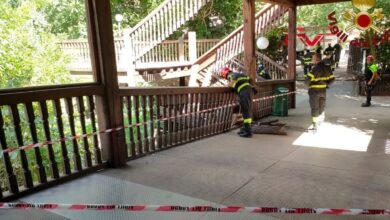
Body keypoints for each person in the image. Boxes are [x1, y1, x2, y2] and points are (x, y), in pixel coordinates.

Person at [220, 67, 253, 137]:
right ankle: (245, 129)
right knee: (246, 111)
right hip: (248, 91)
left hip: (244, 93)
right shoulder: (240, 74)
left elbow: (231, 84)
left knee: (245, 111)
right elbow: (249, 79)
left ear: (224, 74)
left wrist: (228, 85)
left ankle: (248, 132)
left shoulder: (231, 75)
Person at [304, 53, 335, 129]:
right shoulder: (327, 68)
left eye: (313, 59)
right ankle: (320, 121)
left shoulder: (315, 69)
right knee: (321, 107)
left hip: (314, 91)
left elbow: (307, 80)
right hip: (323, 91)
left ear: (317, 60)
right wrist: (327, 85)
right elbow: (332, 79)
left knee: (315, 107)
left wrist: (309, 86)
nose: (312, 60)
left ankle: (315, 124)